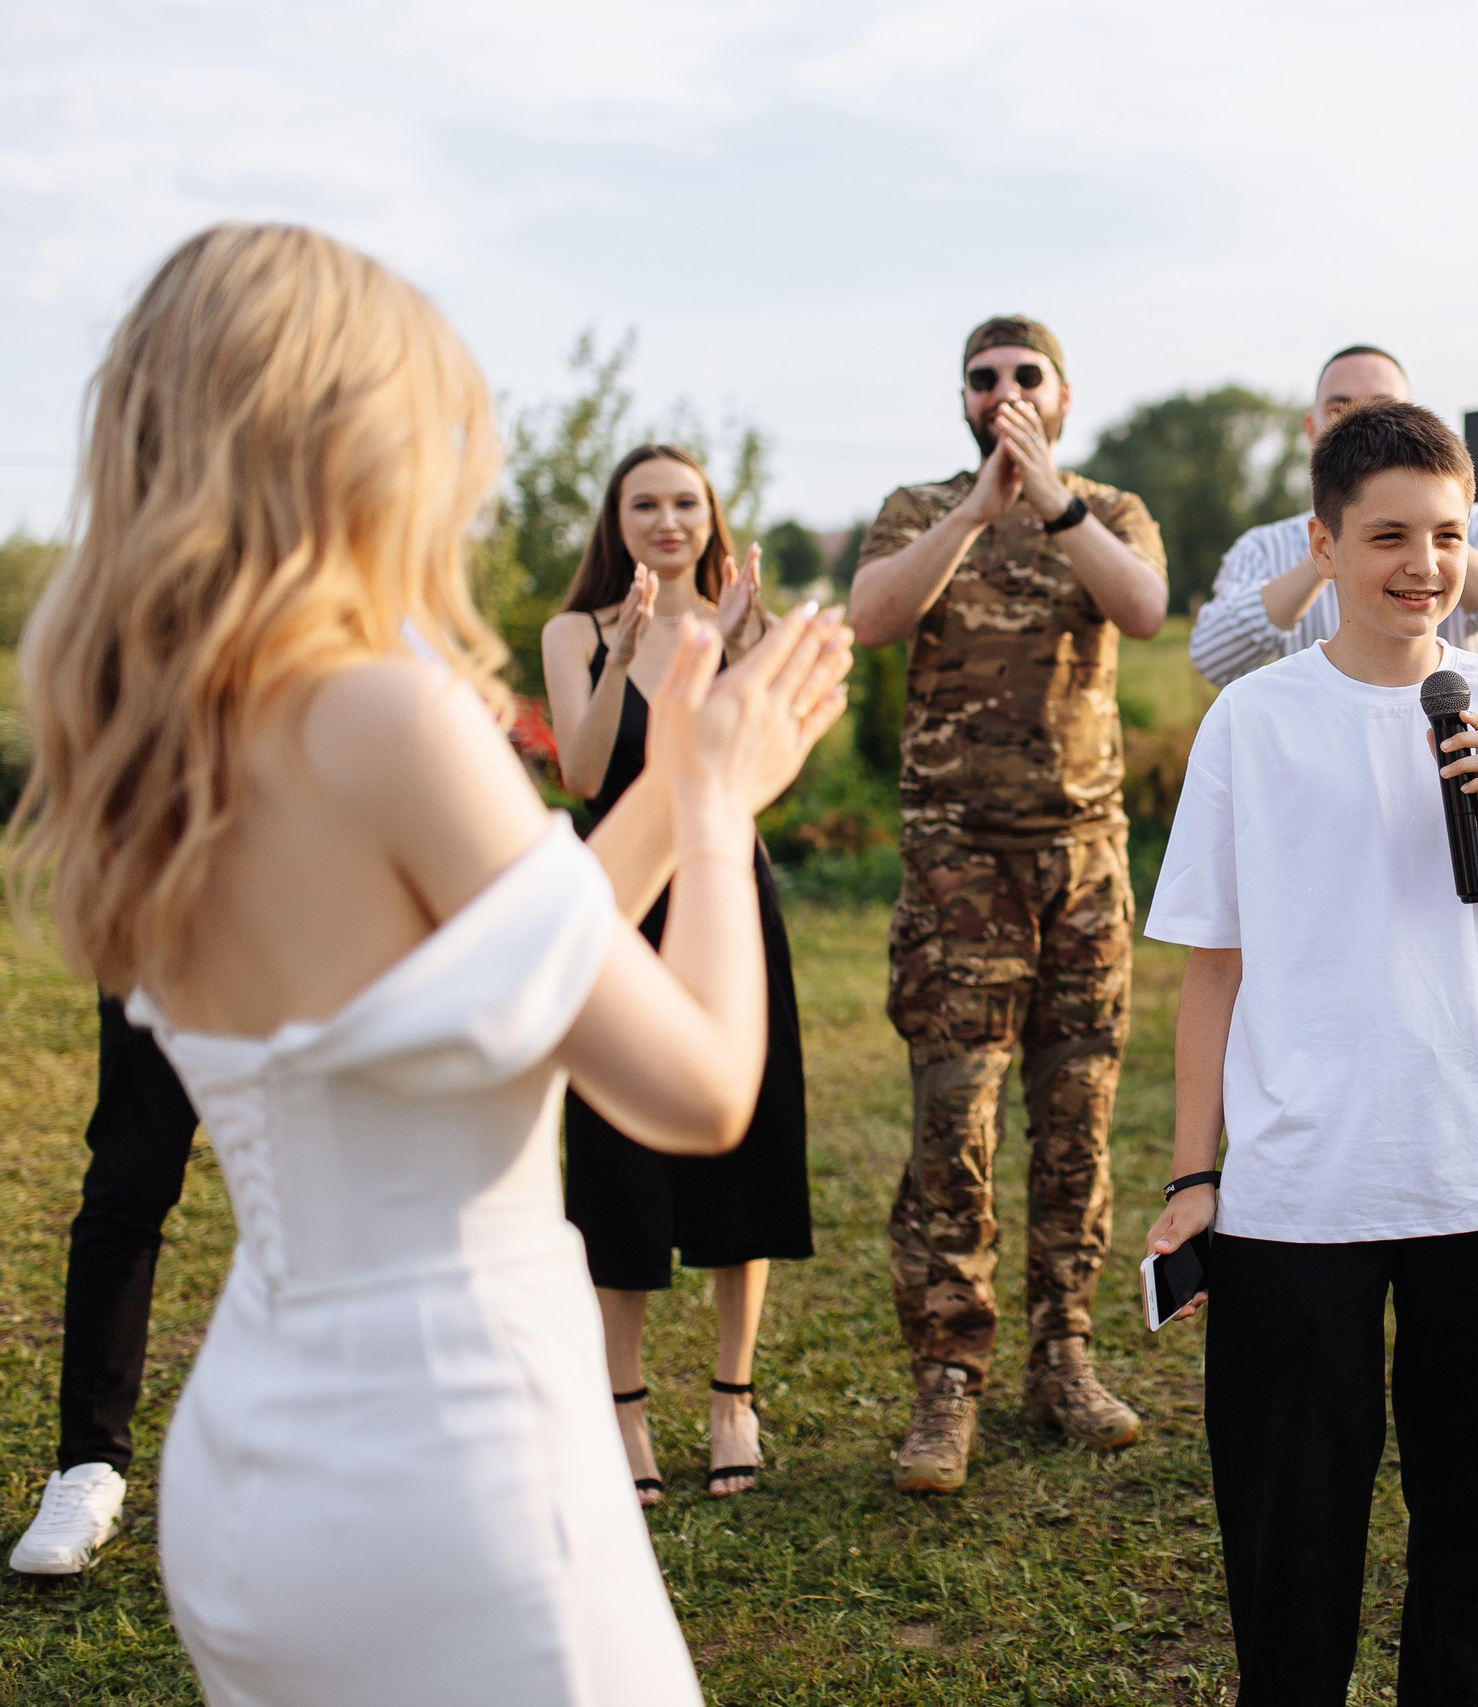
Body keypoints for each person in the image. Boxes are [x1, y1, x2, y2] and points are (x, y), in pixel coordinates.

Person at [6, 221, 851, 1706]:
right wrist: (718, 816)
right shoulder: (387, 713)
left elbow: (518, 937)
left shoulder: (151, 728)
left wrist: (686, 761)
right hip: (456, 1474)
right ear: (350, 442)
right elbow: (701, 1086)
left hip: (257, 1468)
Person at [1142, 400, 1478, 1703]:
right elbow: (1212, 966)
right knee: (1293, 1546)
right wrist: (1193, 1176)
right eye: (1390, 532)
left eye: (1447, 534)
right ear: (1325, 541)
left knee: (1470, 1542)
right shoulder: (1255, 719)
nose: (1423, 563)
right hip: (1299, 1188)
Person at [848, 315, 1168, 1493]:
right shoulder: (915, 509)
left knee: (1076, 1124)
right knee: (955, 1127)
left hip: (1082, 862)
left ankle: (1063, 1357)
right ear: (963, 399)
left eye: (1024, 375)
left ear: (1063, 394)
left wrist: (1051, 503)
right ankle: (949, 1383)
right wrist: (976, 510)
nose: (1003, 391)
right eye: (982, 379)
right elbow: (872, 619)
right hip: (957, 868)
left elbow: (1140, 610)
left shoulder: (1111, 510)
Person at [541, 445, 812, 1504]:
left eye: (684, 503)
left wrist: (743, 646)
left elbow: (762, 773)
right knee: (617, 1153)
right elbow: (581, 768)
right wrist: (620, 655)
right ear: (614, 519)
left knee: (745, 1132)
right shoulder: (577, 631)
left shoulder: (740, 623)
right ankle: (623, 1408)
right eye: (644, 503)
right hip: (615, 898)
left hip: (726, 889)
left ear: (711, 516)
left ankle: (732, 1398)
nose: (666, 519)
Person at [1188, 344, 1478, 687]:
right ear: (1310, 428)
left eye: (1385, 409)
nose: (1361, 426)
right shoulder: (1264, 547)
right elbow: (1213, 659)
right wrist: (1339, 540)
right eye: (1340, 411)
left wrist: (1443, 534)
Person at [6, 999, 198, 1575]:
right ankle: (89, 1465)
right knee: (127, 1185)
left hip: (314, 941)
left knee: (312, 1197)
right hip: (168, 939)